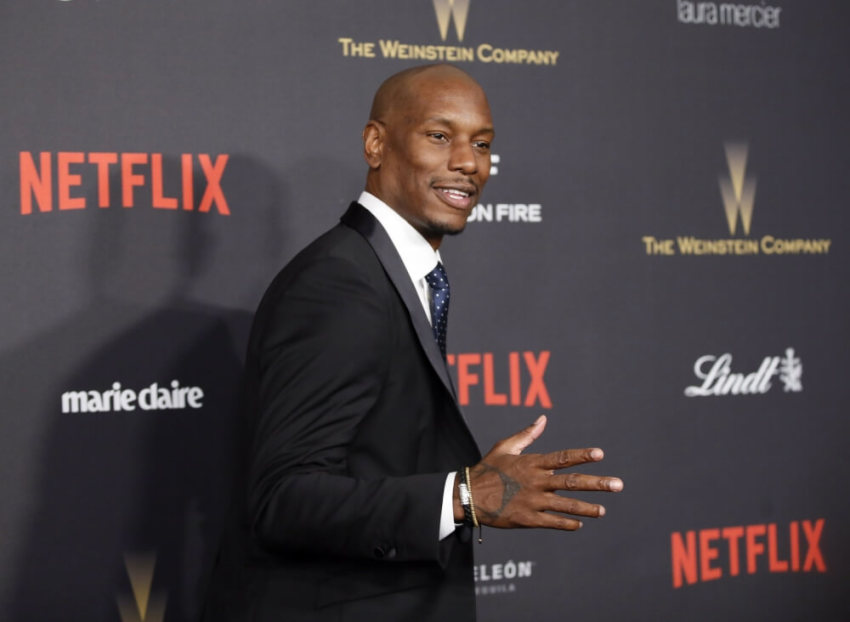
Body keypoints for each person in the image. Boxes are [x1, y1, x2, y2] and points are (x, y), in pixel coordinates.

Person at [202, 63, 623, 622]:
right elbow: (283, 498)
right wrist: (465, 496)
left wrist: (466, 487)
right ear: (376, 144)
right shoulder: (339, 283)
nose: (468, 162)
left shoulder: (392, 272)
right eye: (439, 136)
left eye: (482, 144)